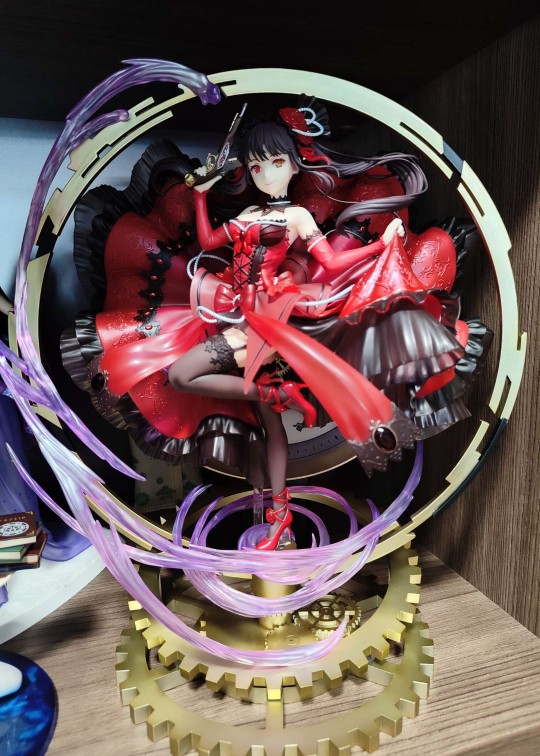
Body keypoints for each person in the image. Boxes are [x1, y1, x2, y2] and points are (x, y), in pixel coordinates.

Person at [63, 99, 490, 550]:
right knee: (194, 382)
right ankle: (274, 445)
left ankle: (277, 507)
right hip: (239, 318)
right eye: (256, 166)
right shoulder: (247, 216)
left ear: (294, 163)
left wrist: (380, 244)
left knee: (236, 406)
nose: (266, 174)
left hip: (273, 321)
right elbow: (207, 240)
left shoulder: (298, 216)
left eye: (276, 162)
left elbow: (331, 261)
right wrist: (202, 194)